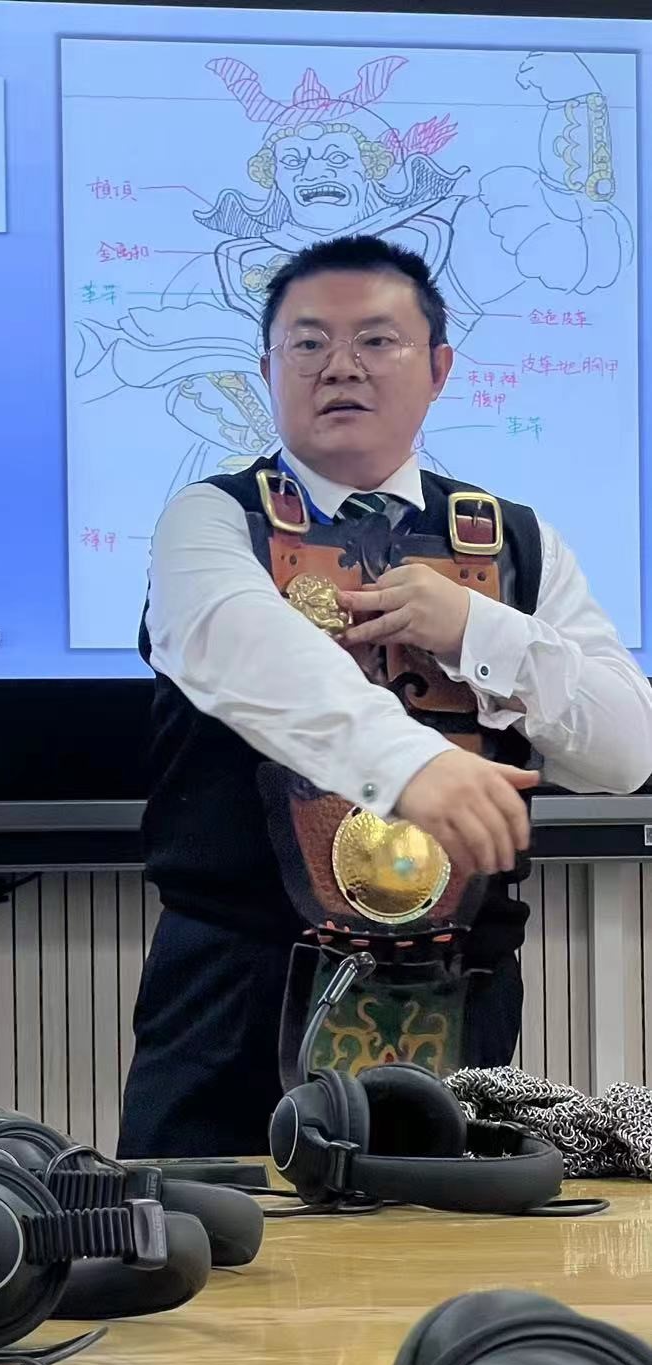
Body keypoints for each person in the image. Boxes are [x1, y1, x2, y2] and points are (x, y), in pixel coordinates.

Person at [118, 233, 652, 1159]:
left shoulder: (517, 542)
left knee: (440, 1233)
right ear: (268, 369)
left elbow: (627, 749)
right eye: (308, 343)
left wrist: (478, 629)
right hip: (235, 994)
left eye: (376, 341)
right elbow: (247, 648)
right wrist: (412, 766)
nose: (340, 367)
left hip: (462, 992)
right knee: (204, 1236)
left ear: (439, 369)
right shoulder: (212, 519)